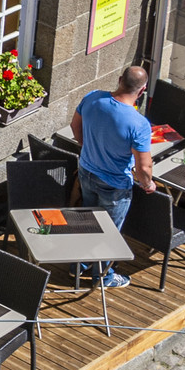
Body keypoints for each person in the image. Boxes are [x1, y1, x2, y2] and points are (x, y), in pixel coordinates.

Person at [70, 63, 154, 288]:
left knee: (88, 222)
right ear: (142, 90)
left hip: (87, 172)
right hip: (115, 184)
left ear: (119, 79)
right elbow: (143, 167)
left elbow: (75, 125)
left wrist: (86, 147)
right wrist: (149, 185)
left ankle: (80, 266)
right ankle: (103, 277)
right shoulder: (138, 124)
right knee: (108, 232)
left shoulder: (93, 97)